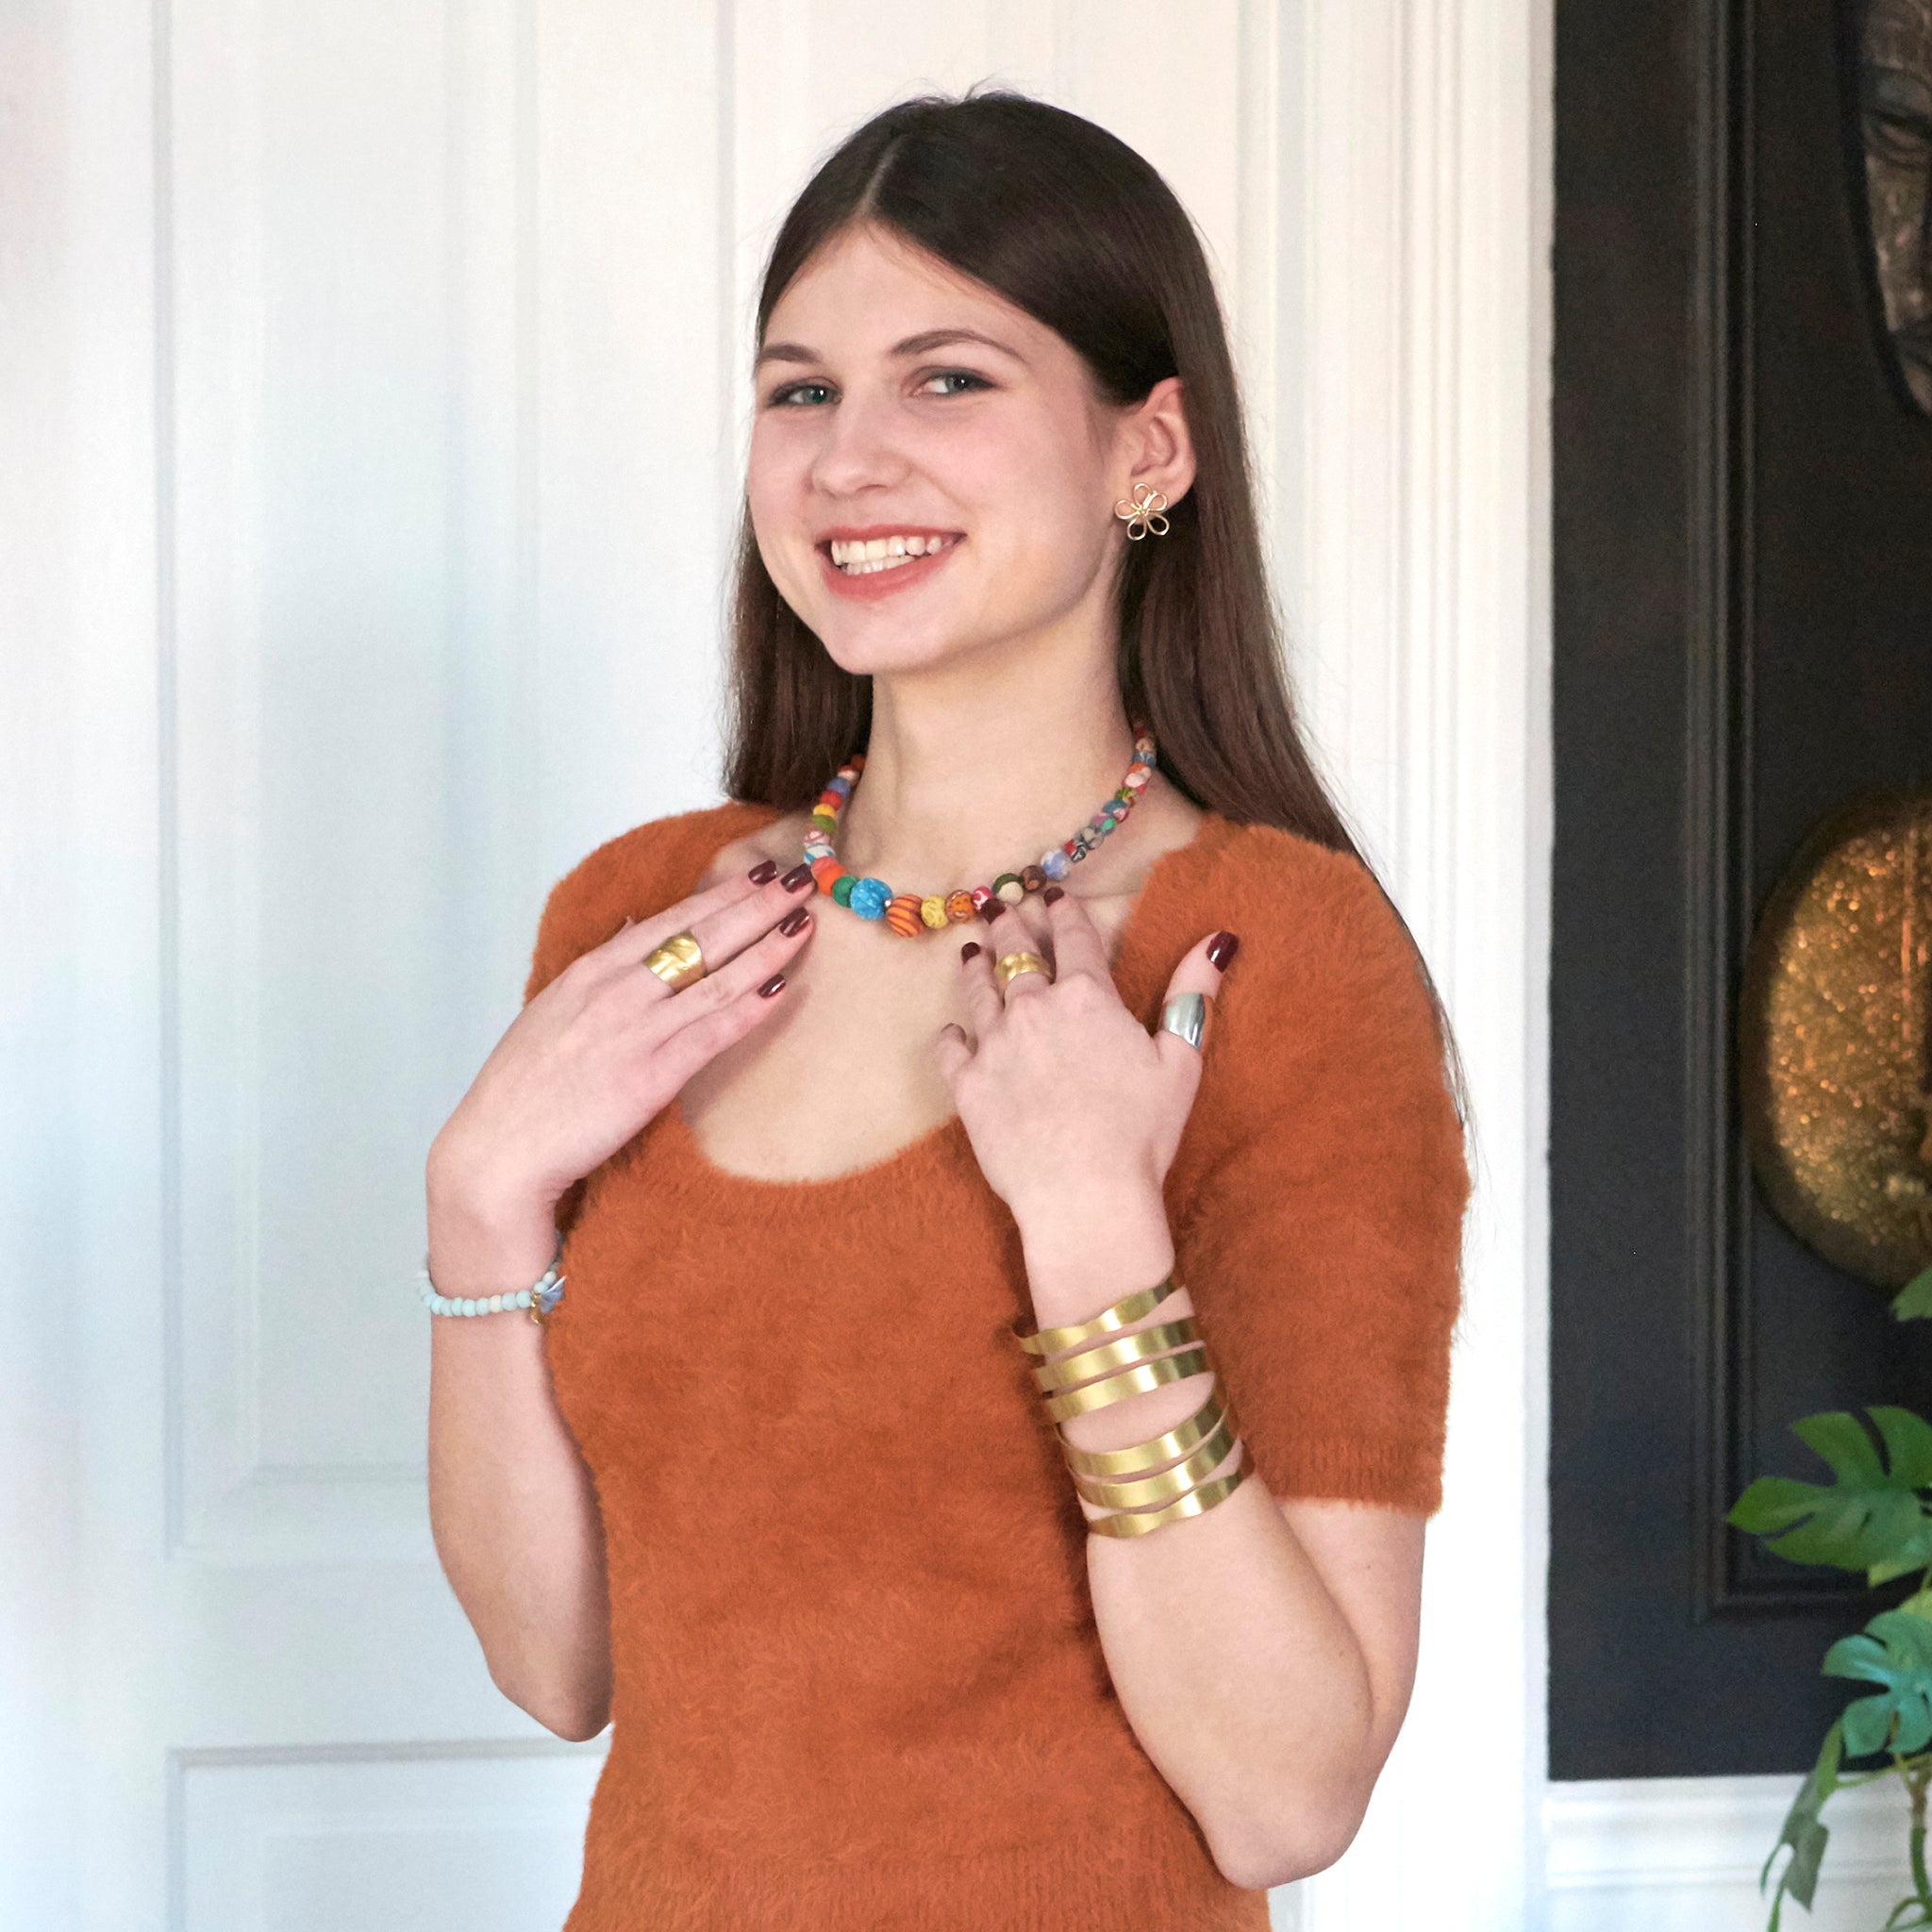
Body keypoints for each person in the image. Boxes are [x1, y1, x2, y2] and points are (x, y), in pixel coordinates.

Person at [422, 90, 1471, 1932]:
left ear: (1151, 449)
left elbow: (1284, 1796)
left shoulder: (1271, 961)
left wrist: (1091, 1236)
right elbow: (557, 1666)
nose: (847, 461)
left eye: (948, 379)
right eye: (801, 391)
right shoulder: (638, 925)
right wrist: (479, 1198)